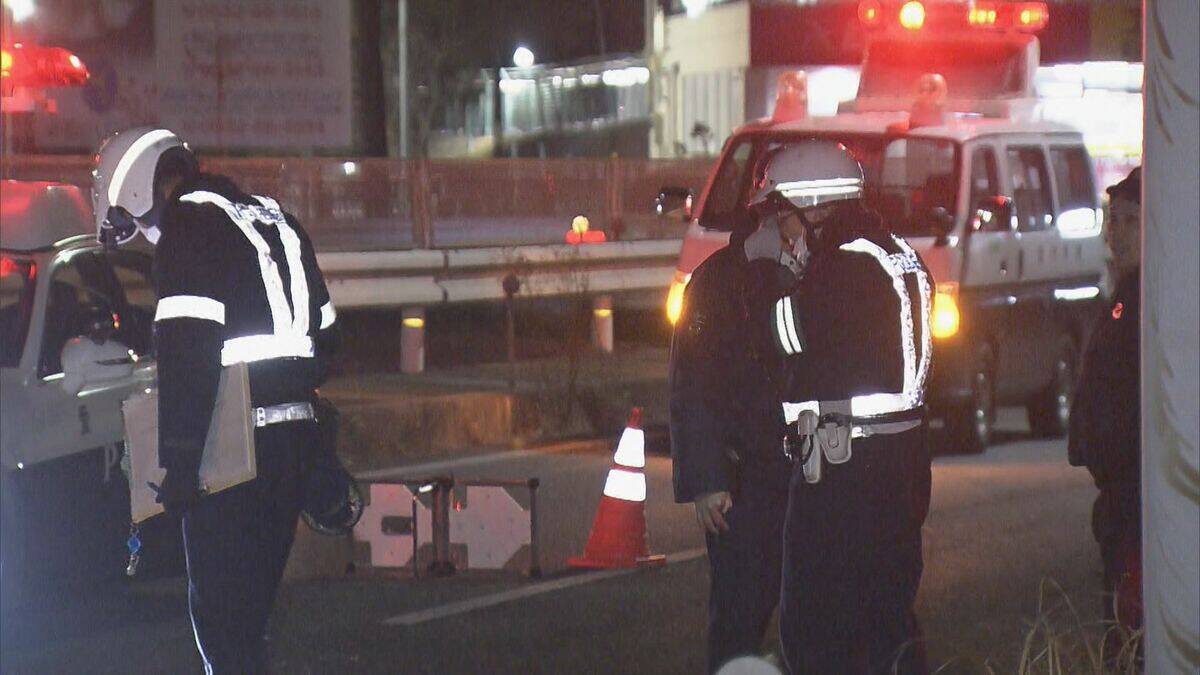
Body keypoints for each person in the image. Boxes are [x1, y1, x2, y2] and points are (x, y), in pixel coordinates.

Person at [92, 127, 341, 672]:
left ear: (139, 191)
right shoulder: (275, 219)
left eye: (134, 223)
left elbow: (189, 351)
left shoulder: (188, 224)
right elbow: (324, 337)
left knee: (224, 629)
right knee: (250, 624)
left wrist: (180, 464)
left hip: (233, 456)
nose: (146, 237)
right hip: (294, 444)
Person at [752, 140, 933, 674]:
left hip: (844, 473)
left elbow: (783, 338)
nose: (782, 235)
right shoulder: (895, 252)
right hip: (899, 464)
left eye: (782, 218)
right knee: (887, 621)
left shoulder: (841, 267)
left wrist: (773, 279)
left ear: (810, 206)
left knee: (817, 627)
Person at [669, 189, 798, 671]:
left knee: (802, 617)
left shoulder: (805, 275)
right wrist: (708, 481)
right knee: (741, 617)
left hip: (792, 474)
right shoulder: (720, 282)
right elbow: (696, 383)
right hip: (745, 483)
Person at [1069, 167, 1143, 638]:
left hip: (1135, 496)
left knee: (1131, 628)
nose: (1116, 232)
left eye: (1130, 220)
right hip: (1120, 495)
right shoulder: (1125, 296)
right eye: (1112, 219)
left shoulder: (1149, 302)